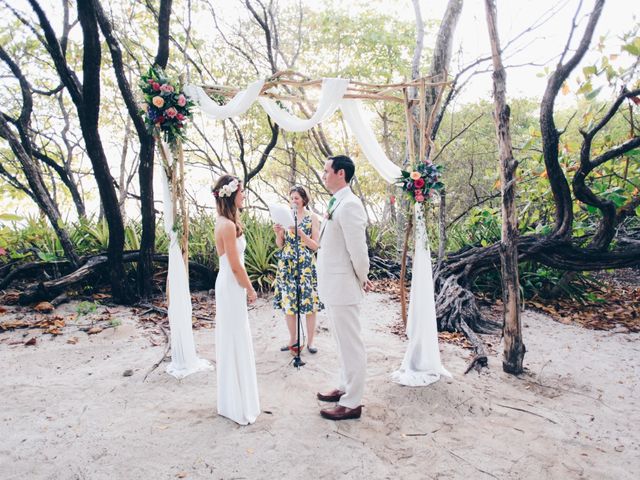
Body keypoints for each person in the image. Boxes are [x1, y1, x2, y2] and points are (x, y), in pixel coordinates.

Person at [316, 155, 372, 421]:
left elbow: (358, 251)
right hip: (332, 284)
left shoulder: (350, 205)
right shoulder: (336, 201)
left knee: (351, 344)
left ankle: (353, 402)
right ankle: (344, 387)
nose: (323, 174)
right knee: (341, 342)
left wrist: (363, 277)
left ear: (340, 173)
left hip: (344, 285)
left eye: (326, 171)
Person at [213, 175, 260, 425]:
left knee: (233, 335)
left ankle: (233, 397)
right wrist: (251, 290)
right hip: (231, 285)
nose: (244, 196)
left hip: (228, 285)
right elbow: (235, 267)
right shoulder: (228, 226)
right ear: (231, 195)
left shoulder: (222, 221)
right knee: (235, 336)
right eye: (242, 192)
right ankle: (238, 402)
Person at [273, 186, 323, 355]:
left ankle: (310, 342)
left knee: (309, 304)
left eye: (297, 198)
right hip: (287, 266)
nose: (294, 201)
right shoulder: (286, 217)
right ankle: (293, 340)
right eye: (291, 198)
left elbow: (316, 246)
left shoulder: (312, 217)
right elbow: (280, 246)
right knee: (289, 305)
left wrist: (300, 233)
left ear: (303, 199)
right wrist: (279, 233)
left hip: (306, 266)